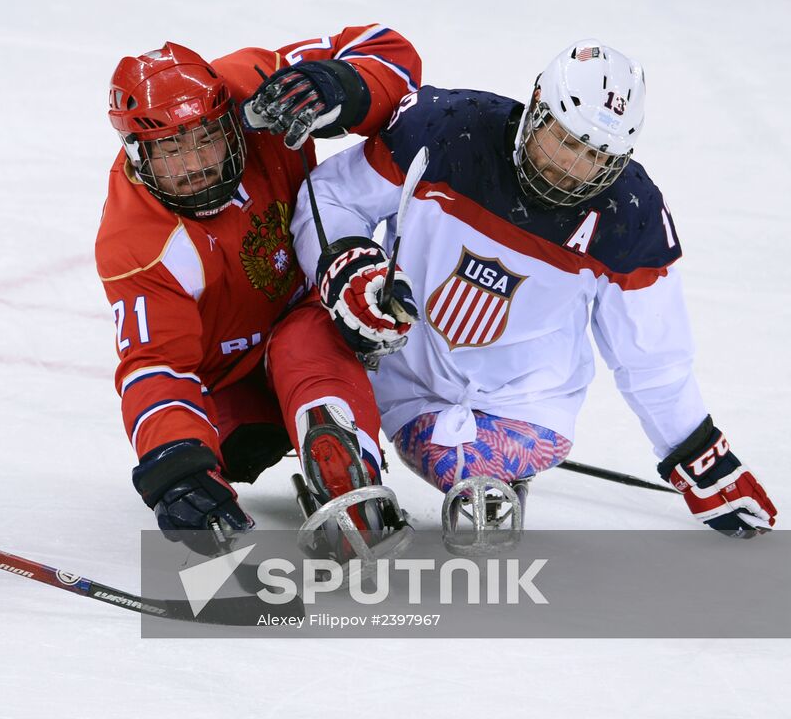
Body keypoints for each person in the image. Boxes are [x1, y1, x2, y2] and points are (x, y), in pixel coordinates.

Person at [295, 39, 777, 538]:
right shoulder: (445, 129)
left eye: (596, 157)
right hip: (400, 368)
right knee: (306, 337)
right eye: (566, 141)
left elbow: (652, 358)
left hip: (528, 406)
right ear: (537, 107)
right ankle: (354, 464)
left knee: (465, 460)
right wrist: (348, 264)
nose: (571, 169)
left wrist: (699, 457)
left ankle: (485, 476)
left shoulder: (631, 215)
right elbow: (331, 197)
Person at [95, 27, 423, 546]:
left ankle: (352, 469)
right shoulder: (136, 240)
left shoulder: (252, 82)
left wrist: (340, 84)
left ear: (230, 118)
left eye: (206, 138)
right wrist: (177, 470)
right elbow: (157, 366)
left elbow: (389, 50)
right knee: (209, 455)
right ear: (136, 153)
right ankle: (310, 428)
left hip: (318, 324)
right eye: (170, 150)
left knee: (307, 341)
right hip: (228, 389)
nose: (196, 166)